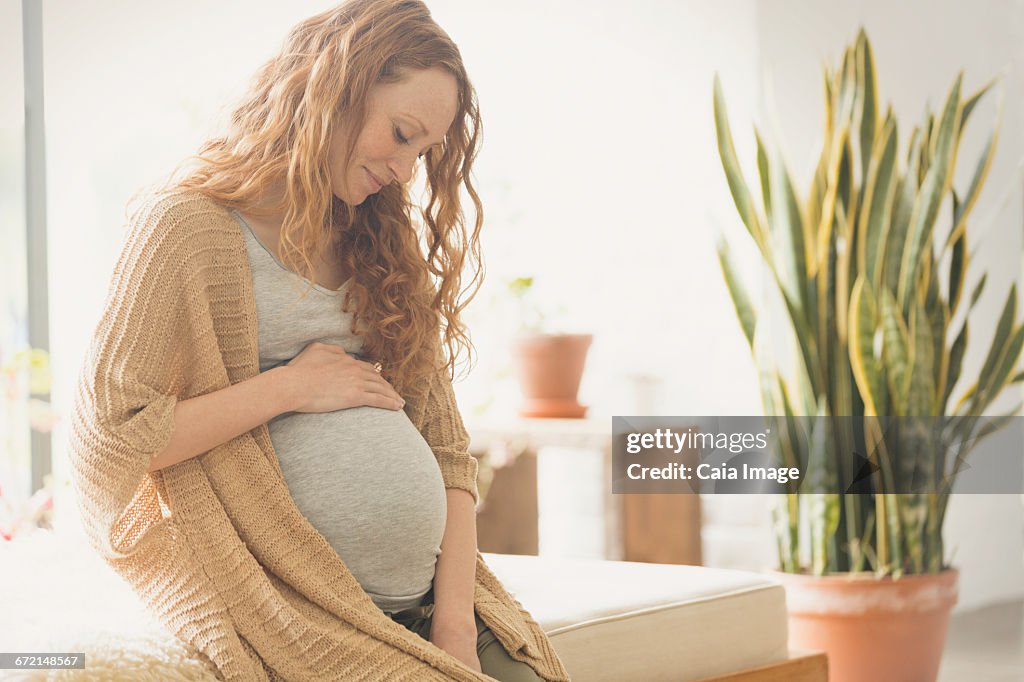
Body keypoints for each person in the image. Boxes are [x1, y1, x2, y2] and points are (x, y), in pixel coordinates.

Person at [67, 1, 570, 680]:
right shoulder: (185, 229)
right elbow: (111, 446)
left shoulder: (382, 247)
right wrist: (289, 388)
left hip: (433, 611)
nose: (403, 168)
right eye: (399, 133)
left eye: (421, 151)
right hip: (296, 613)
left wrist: (454, 627)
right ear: (335, 87)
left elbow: (448, 452)